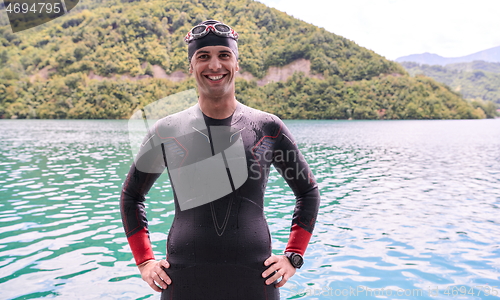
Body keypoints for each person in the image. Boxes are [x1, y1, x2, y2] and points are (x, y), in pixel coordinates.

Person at [120, 20, 320, 300]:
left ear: (237, 64)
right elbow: (131, 196)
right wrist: (144, 261)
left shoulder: (268, 128)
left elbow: (308, 191)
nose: (215, 65)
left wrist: (293, 257)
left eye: (224, 55)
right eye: (203, 56)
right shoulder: (166, 131)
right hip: (184, 282)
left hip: (255, 282)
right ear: (191, 66)